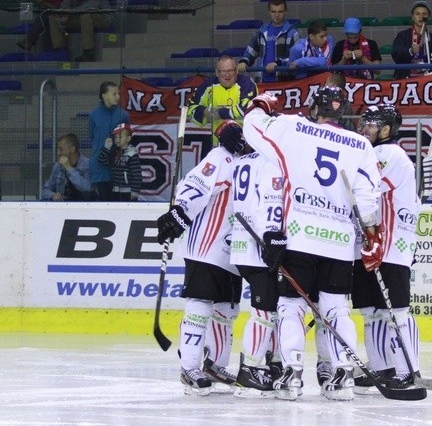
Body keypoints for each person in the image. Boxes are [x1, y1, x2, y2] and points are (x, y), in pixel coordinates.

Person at [242, 87, 383, 401]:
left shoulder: (293, 127)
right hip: (340, 242)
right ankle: (343, 374)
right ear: (341, 110)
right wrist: (370, 235)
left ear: (314, 109)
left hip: (300, 236)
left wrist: (260, 105)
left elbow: (251, 129)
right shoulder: (360, 144)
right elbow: (368, 204)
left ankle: (292, 375)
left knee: (290, 308)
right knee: (336, 309)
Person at [156, 120, 246, 394]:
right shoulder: (220, 157)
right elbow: (194, 184)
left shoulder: (250, 161)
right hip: (207, 245)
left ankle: (215, 365)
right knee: (201, 304)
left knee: (227, 311)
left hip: (234, 250)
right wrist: (180, 213)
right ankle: (190, 367)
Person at [353, 104, 424, 391]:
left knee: (396, 311)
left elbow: (366, 191)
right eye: (365, 123)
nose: (364, 129)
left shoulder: (389, 154)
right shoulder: (373, 153)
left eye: (371, 125)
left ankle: (408, 369)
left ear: (386, 130)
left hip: (390, 245)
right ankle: (382, 367)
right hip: (371, 244)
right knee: (371, 311)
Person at [229, 107, 285, 396]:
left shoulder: (241, 161)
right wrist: (273, 238)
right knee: (264, 311)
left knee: (270, 309)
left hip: (240, 247)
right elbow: (272, 203)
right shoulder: (271, 161)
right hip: (259, 247)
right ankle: (250, 368)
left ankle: (270, 361)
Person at [188, 55, 258, 138]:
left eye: (230, 71)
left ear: (236, 71)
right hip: (217, 143)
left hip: (245, 140)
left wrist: (219, 113)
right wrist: (204, 111)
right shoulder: (208, 85)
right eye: (223, 71)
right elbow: (190, 109)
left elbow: (246, 109)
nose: (227, 75)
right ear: (217, 73)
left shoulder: (246, 83)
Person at [238, 0, 301, 82]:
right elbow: (251, 51)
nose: (277, 15)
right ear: (269, 12)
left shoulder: (292, 32)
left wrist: (278, 64)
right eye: (273, 12)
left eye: (280, 12)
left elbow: (296, 58)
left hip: (284, 82)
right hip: (262, 81)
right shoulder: (262, 30)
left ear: (285, 12)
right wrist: (244, 62)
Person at [89, 82, 130, 201]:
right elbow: (92, 135)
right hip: (99, 164)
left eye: (118, 94)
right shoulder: (94, 114)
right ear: (104, 95)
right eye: (114, 94)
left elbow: (127, 135)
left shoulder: (123, 115)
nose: (118, 97)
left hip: (117, 165)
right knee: (102, 200)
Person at [391, 0, 432, 78]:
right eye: (417, 14)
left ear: (428, 17)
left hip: (427, 82)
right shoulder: (402, 36)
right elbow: (396, 55)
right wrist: (410, 51)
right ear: (412, 17)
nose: (421, 17)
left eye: (424, 14)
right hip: (406, 82)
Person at [40, 133, 93, 201]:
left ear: (72, 149)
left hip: (83, 206)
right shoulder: (58, 167)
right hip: (63, 206)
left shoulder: (87, 165)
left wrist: (69, 168)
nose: (58, 153)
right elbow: (45, 190)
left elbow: (87, 188)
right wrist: (52, 195)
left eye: (61, 149)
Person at [97, 123, 142, 201]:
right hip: (115, 191)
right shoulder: (115, 152)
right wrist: (107, 148)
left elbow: (137, 176)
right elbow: (102, 161)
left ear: (128, 138)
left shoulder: (132, 154)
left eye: (120, 137)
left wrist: (134, 192)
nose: (117, 139)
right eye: (116, 137)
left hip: (128, 192)